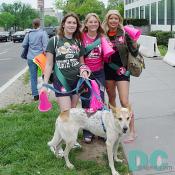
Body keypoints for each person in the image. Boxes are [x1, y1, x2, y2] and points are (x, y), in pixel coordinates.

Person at [40, 13, 89, 149]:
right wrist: (45, 84)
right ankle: (57, 146)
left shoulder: (78, 42)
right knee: (65, 114)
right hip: (61, 82)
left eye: (74, 23)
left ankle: (70, 139)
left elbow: (81, 63)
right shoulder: (54, 41)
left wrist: (84, 71)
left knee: (72, 113)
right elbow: (49, 65)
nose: (72, 25)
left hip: (77, 82)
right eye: (69, 22)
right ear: (63, 24)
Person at [102, 10, 138, 143]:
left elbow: (134, 51)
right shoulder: (102, 34)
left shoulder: (124, 33)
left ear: (119, 20)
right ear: (107, 19)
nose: (113, 21)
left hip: (122, 71)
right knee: (111, 100)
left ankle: (132, 131)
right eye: (111, 18)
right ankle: (113, 128)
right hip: (108, 70)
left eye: (116, 18)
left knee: (124, 102)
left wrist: (134, 41)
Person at [81, 13, 107, 143]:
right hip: (85, 73)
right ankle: (88, 131)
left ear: (99, 23)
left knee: (100, 101)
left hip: (99, 73)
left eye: (95, 22)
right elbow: (79, 55)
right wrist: (83, 69)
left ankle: (101, 130)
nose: (93, 24)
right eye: (90, 22)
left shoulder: (102, 37)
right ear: (86, 24)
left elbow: (107, 55)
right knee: (86, 102)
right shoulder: (81, 37)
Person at [22, 18, 49, 101]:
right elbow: (46, 47)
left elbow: (24, 44)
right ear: (39, 24)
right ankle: (44, 93)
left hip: (31, 58)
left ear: (33, 25)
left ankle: (35, 95)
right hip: (40, 58)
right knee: (44, 76)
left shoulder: (28, 34)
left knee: (33, 77)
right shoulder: (43, 33)